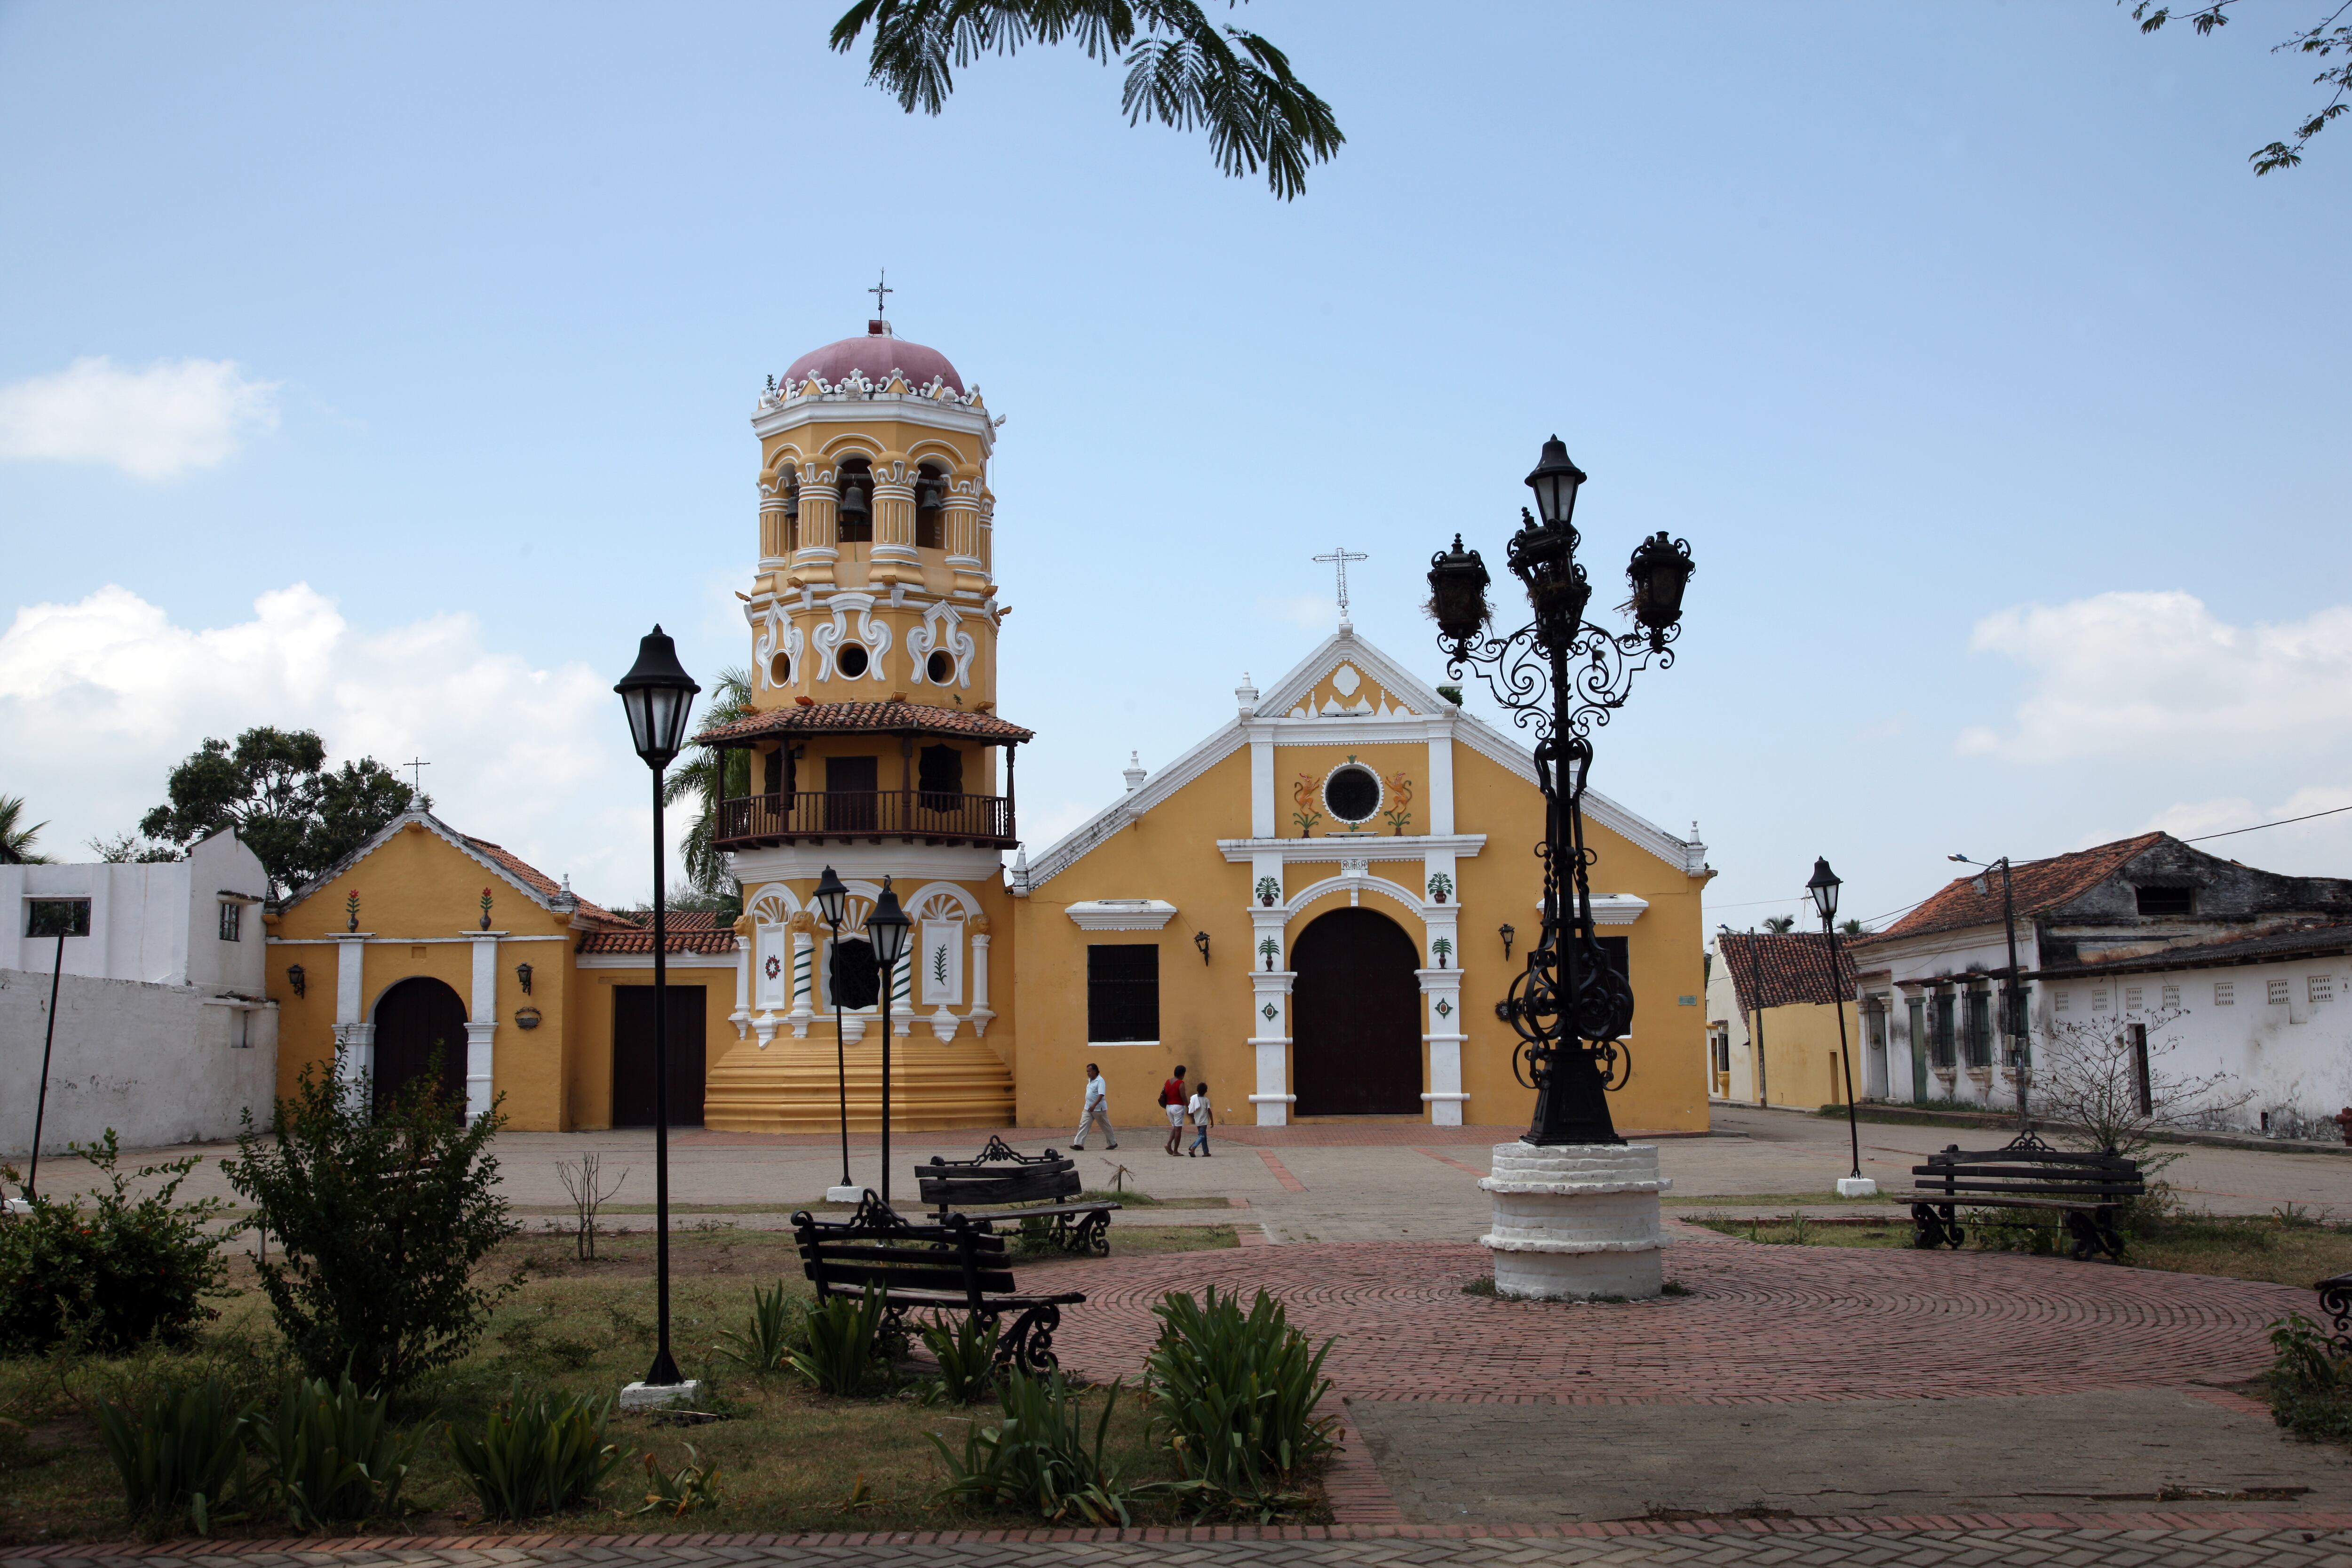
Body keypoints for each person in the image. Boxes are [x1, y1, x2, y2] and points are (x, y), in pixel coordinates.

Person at [1073, 1062, 1117, 1150]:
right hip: (1088, 1108)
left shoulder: (1100, 1081)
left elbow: (1101, 1095)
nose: (1088, 1073)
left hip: (1098, 1109)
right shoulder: (1090, 1080)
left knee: (1105, 1126)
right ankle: (1078, 1144)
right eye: (1087, 1072)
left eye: (1090, 1071)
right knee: (1084, 1124)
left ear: (1095, 1071)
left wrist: (1094, 1105)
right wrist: (1090, 1105)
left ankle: (1113, 1143)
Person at [1160, 1064, 1189, 1156]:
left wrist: (1166, 1108)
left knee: (1175, 1127)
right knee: (1178, 1130)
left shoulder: (1168, 1082)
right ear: (1183, 1074)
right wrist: (1188, 1106)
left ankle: (1169, 1144)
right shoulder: (1181, 1083)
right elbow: (1183, 1096)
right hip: (1178, 1108)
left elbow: (1165, 1095)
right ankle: (1176, 1151)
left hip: (1169, 1107)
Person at [1186, 1081, 1214, 1157]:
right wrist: (1212, 1121)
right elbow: (1209, 1111)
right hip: (1204, 1122)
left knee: (1203, 1136)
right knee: (1202, 1136)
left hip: (1197, 1121)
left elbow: (1191, 1107)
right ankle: (1193, 1147)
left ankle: (1206, 1152)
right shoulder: (1206, 1100)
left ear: (1197, 1090)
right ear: (1206, 1091)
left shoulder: (1193, 1098)